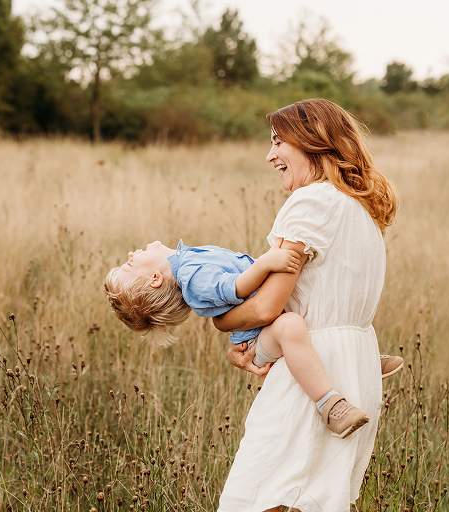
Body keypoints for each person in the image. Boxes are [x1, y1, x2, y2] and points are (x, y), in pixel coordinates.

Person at [213, 98, 400, 512]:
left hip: (312, 371)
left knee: (253, 499)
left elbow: (268, 307)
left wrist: (223, 322)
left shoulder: (311, 201)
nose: (270, 156)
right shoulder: (361, 206)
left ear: (313, 142)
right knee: (313, 502)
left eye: (278, 142)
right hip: (355, 368)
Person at [104, 238, 402, 438]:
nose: (130, 255)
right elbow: (233, 287)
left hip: (266, 321)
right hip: (257, 339)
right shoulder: (191, 276)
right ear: (155, 278)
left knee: (307, 311)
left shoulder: (188, 260)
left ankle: (358, 361)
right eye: (129, 265)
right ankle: (331, 406)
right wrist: (266, 263)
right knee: (290, 327)